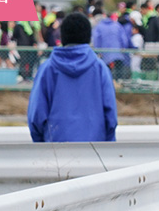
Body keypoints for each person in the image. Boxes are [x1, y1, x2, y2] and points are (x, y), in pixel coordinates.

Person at [27, 13, 117, 143]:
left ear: (62, 36)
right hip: (95, 149)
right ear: (88, 36)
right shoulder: (100, 68)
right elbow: (111, 115)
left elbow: (36, 114)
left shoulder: (47, 69)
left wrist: (42, 143)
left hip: (55, 148)